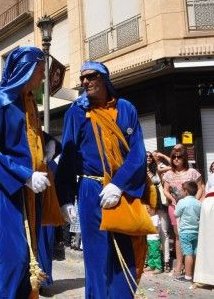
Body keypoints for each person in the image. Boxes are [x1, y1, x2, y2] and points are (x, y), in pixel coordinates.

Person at [55, 61, 148, 298]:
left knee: (125, 254)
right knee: (96, 257)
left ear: (105, 79)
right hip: (90, 188)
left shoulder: (127, 108)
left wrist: (119, 184)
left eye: (91, 76)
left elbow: (137, 152)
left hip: (121, 190)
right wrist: (65, 197)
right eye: (82, 78)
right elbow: (67, 155)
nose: (85, 82)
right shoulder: (75, 112)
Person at [0, 47, 57, 298]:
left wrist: (50, 144)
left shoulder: (29, 101)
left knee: (30, 257)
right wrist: (24, 175)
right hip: (10, 189)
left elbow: (28, 139)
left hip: (34, 190)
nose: (43, 77)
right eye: (40, 71)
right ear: (25, 70)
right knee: (15, 258)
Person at [162, 146, 204, 277]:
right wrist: (171, 199)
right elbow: (165, 189)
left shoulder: (192, 172)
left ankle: (193, 267)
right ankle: (179, 265)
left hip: (191, 209)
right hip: (174, 207)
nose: (175, 159)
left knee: (193, 235)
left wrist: (193, 201)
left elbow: (200, 187)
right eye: (174, 156)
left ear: (184, 158)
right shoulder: (169, 174)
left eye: (178, 157)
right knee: (178, 236)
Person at [146, 151, 170, 272]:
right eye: (146, 156)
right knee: (148, 234)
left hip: (160, 204)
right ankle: (151, 262)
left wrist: (163, 156)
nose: (149, 158)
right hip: (147, 204)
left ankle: (165, 262)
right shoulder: (140, 169)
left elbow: (174, 166)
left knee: (163, 233)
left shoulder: (159, 168)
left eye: (151, 156)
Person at [174, 181, 201, 282]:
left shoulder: (182, 202)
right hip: (196, 231)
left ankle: (188, 276)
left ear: (186, 191)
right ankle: (195, 274)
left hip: (185, 231)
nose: (180, 191)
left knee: (188, 253)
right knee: (195, 252)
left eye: (181, 190)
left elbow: (176, 214)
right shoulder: (198, 203)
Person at [194, 161, 214, 286]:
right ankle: (207, 277)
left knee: (208, 241)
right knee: (208, 241)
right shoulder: (212, 176)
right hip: (209, 204)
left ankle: (207, 277)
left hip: (208, 204)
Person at [145, 206, 162, 274]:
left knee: (155, 253)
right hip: (149, 238)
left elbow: (154, 228)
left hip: (154, 239)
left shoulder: (155, 217)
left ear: (153, 209)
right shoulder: (150, 217)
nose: (146, 210)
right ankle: (151, 265)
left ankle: (158, 267)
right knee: (150, 253)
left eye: (147, 208)